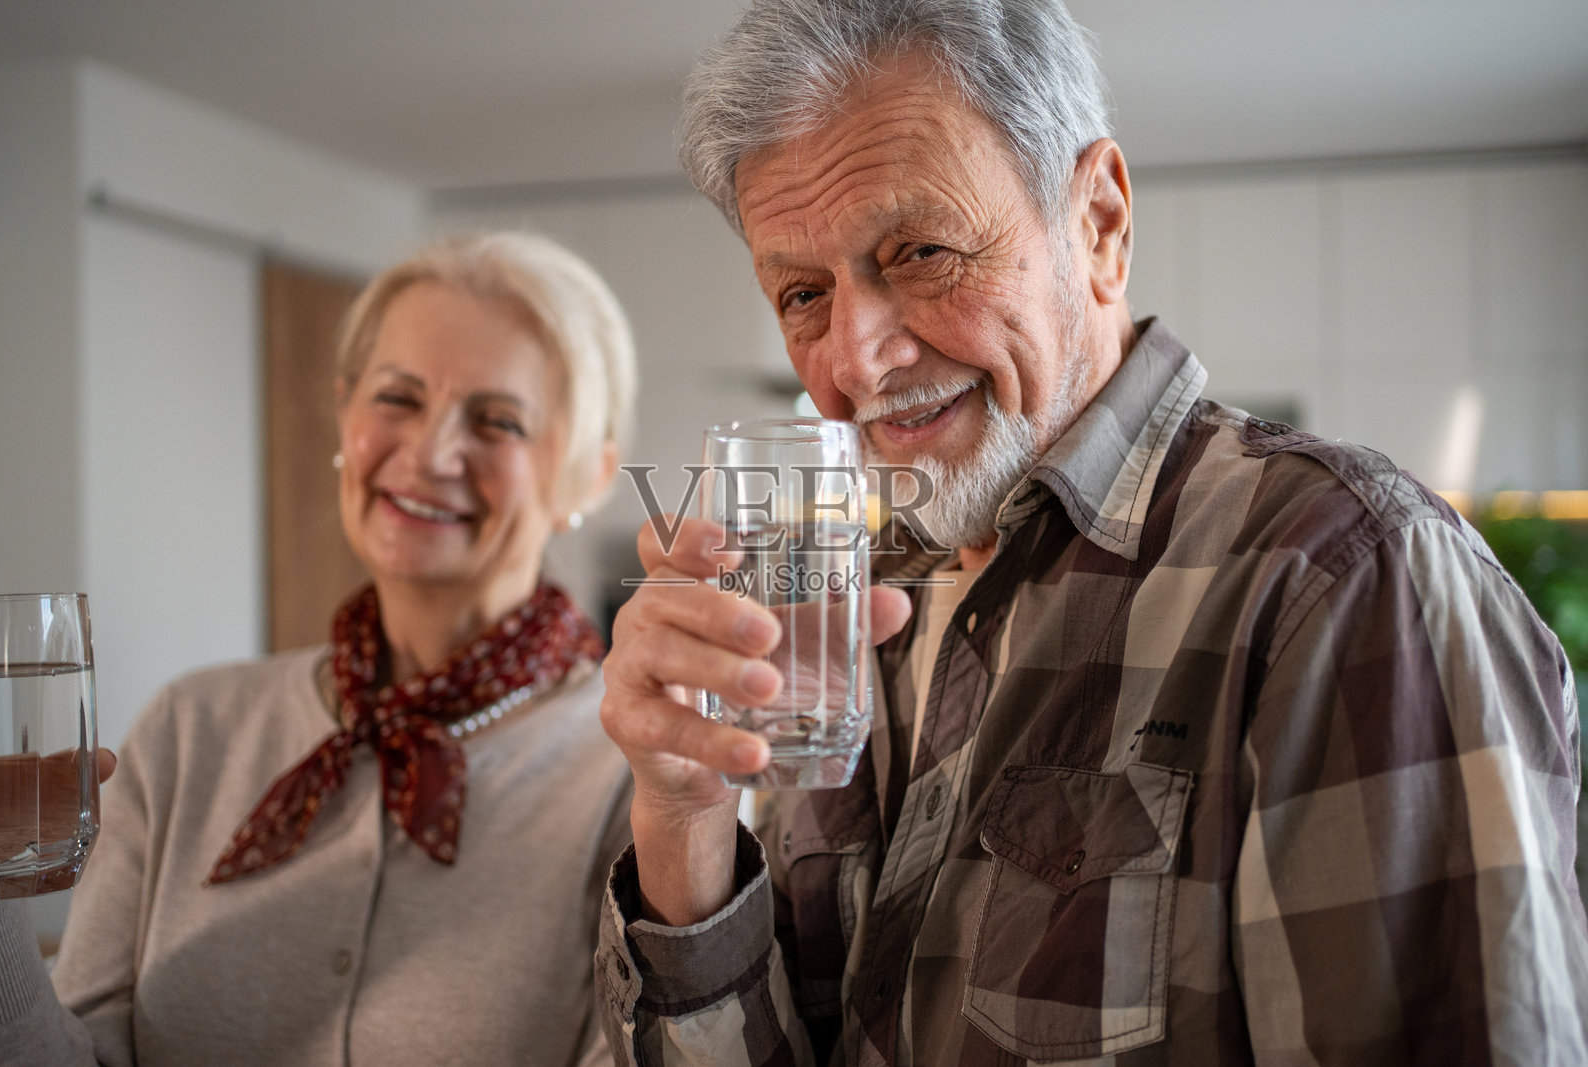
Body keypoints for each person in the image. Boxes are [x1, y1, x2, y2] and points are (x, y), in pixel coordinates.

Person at [593, 1, 1588, 1063]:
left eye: (921, 250)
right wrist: (685, 817)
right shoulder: (850, 607)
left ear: (1100, 224)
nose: (853, 360)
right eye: (802, 293)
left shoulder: (1341, 573)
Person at [0, 230, 638, 1065]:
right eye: (397, 397)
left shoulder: (636, 774)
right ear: (345, 413)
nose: (430, 453)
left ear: (589, 474)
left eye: (497, 419)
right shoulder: (188, 730)